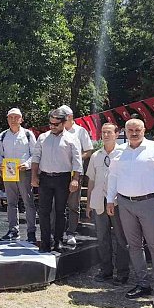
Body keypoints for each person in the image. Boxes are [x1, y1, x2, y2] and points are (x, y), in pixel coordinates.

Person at [106, 118, 154, 308]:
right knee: (133, 245)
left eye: (137, 129)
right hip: (125, 203)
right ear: (125, 132)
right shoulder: (119, 152)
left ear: (144, 130)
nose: (134, 133)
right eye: (130, 130)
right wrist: (110, 199)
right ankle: (142, 283)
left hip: (151, 202)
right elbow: (113, 176)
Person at [31, 109, 82, 253]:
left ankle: (58, 240)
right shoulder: (42, 137)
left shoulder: (72, 139)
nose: (52, 126)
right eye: (50, 123)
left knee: (60, 211)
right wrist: (34, 176)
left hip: (63, 178)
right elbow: (36, 158)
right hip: (45, 178)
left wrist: (75, 179)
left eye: (56, 124)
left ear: (64, 123)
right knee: (43, 211)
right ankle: (45, 241)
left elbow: (77, 162)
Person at [85, 123, 130, 285]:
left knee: (121, 238)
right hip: (99, 201)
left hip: (118, 202)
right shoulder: (96, 155)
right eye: (103, 132)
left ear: (117, 134)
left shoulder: (124, 153)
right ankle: (106, 271)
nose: (105, 135)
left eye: (109, 132)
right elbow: (91, 180)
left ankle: (123, 272)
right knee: (102, 237)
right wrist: (89, 203)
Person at [57, 105, 94, 246]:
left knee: (73, 204)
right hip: (58, 173)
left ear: (70, 117)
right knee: (57, 205)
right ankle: (57, 233)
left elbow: (89, 150)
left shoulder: (80, 131)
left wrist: (77, 159)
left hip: (75, 173)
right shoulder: (56, 131)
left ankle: (71, 232)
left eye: (62, 118)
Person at [0, 108, 37, 242]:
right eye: (11, 117)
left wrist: (26, 164)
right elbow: (0, 155)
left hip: (24, 172)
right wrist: (0, 164)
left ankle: (31, 231)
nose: (13, 120)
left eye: (16, 117)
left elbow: (35, 154)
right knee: (11, 202)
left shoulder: (28, 134)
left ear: (21, 119)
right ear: (7, 119)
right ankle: (13, 230)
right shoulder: (2, 136)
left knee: (28, 202)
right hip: (8, 172)